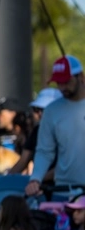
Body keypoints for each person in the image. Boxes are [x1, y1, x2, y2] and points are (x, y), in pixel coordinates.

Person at [26, 55, 85, 198]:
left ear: (81, 77)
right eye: (59, 83)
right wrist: (36, 178)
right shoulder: (51, 111)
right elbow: (45, 151)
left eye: (67, 82)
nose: (62, 87)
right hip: (63, 190)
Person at [8, 87, 62, 176]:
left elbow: (65, 168)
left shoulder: (68, 132)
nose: (40, 113)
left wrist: (37, 180)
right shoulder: (37, 131)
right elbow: (23, 161)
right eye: (36, 109)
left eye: (44, 109)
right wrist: (4, 180)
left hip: (64, 186)